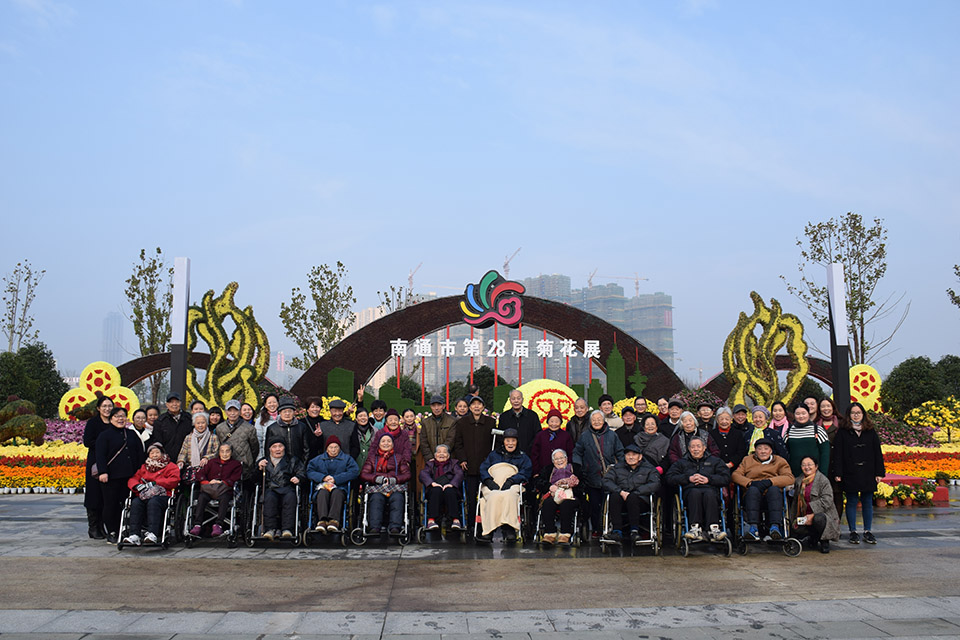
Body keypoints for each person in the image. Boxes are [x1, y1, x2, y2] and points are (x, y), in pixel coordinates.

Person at [834, 402, 885, 545]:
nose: (856, 415)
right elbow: (838, 454)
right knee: (851, 501)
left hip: (868, 472)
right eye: (853, 413)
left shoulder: (870, 430)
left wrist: (879, 472)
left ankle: (867, 531)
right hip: (850, 472)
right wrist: (838, 472)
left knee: (867, 501)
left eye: (858, 413)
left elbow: (877, 452)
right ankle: (853, 531)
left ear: (863, 414)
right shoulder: (843, 431)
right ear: (848, 415)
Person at [95, 407, 146, 544]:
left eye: (123, 416)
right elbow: (100, 455)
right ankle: (112, 531)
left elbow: (140, 454)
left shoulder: (131, 434)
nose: (120, 419)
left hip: (130, 477)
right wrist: (103, 472)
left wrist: (140, 472)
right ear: (111, 419)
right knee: (110, 505)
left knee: (129, 504)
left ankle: (128, 530)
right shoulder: (104, 435)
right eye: (117, 416)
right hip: (111, 477)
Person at [666, 436, 730, 542]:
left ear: (704, 448)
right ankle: (695, 528)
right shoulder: (681, 462)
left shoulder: (716, 461)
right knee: (694, 493)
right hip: (690, 490)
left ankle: (713, 528)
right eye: (693, 447)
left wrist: (708, 479)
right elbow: (670, 477)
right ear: (689, 449)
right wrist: (688, 478)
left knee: (709, 494)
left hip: (710, 488)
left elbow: (726, 477)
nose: (696, 449)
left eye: (698, 446)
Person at [573, 409, 625, 538]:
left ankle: (609, 527)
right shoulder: (585, 436)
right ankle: (597, 529)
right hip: (591, 476)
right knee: (594, 505)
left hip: (609, 476)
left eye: (599, 419)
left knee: (609, 504)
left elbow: (620, 452)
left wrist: (620, 468)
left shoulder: (612, 435)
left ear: (604, 420)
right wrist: (579, 467)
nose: (596, 422)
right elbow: (577, 452)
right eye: (594, 420)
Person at [731, 439, 794, 540]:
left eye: (766, 449)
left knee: (774, 490)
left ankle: (775, 527)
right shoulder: (747, 460)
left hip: (772, 494)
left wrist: (769, 482)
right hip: (752, 495)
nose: (763, 451)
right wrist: (750, 483)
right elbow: (735, 475)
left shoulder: (780, 461)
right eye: (759, 449)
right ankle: (753, 528)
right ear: (755, 450)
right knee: (753, 490)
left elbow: (789, 478)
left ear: (771, 451)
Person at [478, 428, 532, 542]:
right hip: (494, 483)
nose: (510, 443)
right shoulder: (494, 454)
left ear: (517, 442)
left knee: (509, 496)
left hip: (512, 484)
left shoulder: (523, 457)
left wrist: (512, 480)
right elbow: (483, 468)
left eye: (513, 441)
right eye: (508, 440)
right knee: (493, 496)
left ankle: (509, 529)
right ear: (503, 441)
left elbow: (526, 471)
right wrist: (488, 481)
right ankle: (489, 530)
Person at [122, 442, 180, 546]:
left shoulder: (171, 466)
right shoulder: (144, 467)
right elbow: (134, 479)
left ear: (162, 453)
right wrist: (136, 486)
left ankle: (153, 534)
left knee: (154, 502)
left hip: (163, 495)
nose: (154, 455)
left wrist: (156, 483)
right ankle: (134, 535)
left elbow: (174, 480)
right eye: (152, 453)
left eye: (157, 452)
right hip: (145, 494)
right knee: (136, 502)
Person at [602, 443, 660, 543]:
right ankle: (617, 531)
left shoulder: (649, 469)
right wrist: (620, 491)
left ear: (640, 457)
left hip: (641, 500)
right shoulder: (617, 468)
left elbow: (655, 484)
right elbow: (606, 481)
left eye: (634, 454)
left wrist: (637, 492)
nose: (631, 457)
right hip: (621, 499)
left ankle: (634, 531)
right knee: (614, 496)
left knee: (632, 497)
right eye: (628, 455)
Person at [453, 395, 496, 520]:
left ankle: (487, 520)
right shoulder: (462, 423)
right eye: (473, 404)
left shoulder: (490, 422)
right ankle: (472, 522)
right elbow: (458, 444)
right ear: (470, 407)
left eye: (479, 404)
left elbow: (495, 443)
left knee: (487, 494)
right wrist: (462, 459)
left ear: (483, 407)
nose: (476, 407)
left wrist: (491, 461)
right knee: (471, 496)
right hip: (469, 466)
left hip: (486, 466)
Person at [306, 435, 359, 533]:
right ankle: (322, 521)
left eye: (336, 447)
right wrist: (323, 477)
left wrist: (336, 479)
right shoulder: (317, 460)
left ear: (339, 448)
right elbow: (309, 471)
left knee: (337, 493)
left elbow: (354, 472)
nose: (333, 450)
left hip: (340, 487)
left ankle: (334, 521)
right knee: (322, 493)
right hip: (322, 487)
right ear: (327, 449)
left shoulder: (347, 459)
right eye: (331, 447)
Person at [360, 434, 410, 535]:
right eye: (383, 441)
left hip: (395, 487)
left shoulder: (399, 458)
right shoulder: (372, 458)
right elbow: (364, 474)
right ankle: (374, 527)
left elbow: (407, 474)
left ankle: (395, 527)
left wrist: (395, 479)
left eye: (389, 441)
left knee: (397, 498)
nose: (386, 443)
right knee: (376, 499)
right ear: (379, 444)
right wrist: (376, 478)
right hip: (377, 487)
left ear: (393, 444)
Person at [190, 442, 243, 538]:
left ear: (231, 452)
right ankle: (197, 524)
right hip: (209, 489)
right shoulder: (212, 462)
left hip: (224, 490)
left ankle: (218, 525)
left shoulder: (236, 464)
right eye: (222, 451)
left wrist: (223, 482)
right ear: (219, 452)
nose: (225, 454)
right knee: (202, 497)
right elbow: (200, 474)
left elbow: (236, 477)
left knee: (225, 498)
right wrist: (207, 482)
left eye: (227, 451)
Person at [789, 456, 840, 553]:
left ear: (816, 466)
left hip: (822, 515)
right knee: (794, 528)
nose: (806, 467)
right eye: (804, 465)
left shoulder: (823, 480)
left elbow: (827, 500)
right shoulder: (799, 480)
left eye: (809, 465)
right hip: (803, 515)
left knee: (818, 519)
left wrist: (812, 515)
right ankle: (813, 538)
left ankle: (824, 541)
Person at [257, 437, 304, 540]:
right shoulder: (264, 461)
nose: (278, 449)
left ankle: (288, 529)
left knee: (290, 498)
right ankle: (270, 529)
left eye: (280, 446)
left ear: (284, 448)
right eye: (274, 447)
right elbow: (254, 480)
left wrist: (298, 477)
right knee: (269, 499)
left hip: (287, 487)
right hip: (271, 488)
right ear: (270, 449)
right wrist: (259, 468)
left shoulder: (292, 460)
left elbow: (301, 472)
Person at [83, 395, 114, 539]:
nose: (107, 409)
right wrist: (104, 444)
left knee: (105, 496)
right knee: (94, 495)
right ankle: (93, 527)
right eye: (104, 406)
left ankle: (102, 527)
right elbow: (87, 441)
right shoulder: (93, 423)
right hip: (95, 463)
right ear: (98, 408)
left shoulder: (114, 422)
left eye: (110, 406)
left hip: (110, 462)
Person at [537, 448, 579, 544]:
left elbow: (583, 484)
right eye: (556, 459)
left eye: (561, 458)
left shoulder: (576, 468)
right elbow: (539, 482)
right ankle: (550, 533)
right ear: (553, 461)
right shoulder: (548, 470)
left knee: (566, 504)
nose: (559, 461)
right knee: (547, 503)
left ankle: (565, 534)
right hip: (553, 494)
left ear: (566, 458)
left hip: (571, 496)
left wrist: (570, 487)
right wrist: (550, 487)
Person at [215, 400, 259, 488]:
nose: (232, 413)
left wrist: (248, 460)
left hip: (244, 466)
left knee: (243, 489)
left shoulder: (249, 428)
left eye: (235, 410)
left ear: (239, 412)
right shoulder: (219, 428)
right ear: (226, 412)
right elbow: (218, 445)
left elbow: (254, 447)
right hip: (226, 464)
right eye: (230, 410)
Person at [420, 444, 464, 531]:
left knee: (449, 491)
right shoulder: (430, 464)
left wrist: (451, 484)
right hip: (435, 488)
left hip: (450, 487)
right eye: (439, 452)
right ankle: (431, 520)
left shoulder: (454, 463)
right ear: (435, 455)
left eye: (444, 452)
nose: (441, 454)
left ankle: (455, 519)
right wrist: (433, 483)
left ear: (448, 455)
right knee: (436, 490)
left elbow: (460, 474)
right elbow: (423, 474)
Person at [784, 403, 830, 476]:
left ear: (808, 414)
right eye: (798, 414)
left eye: (804, 413)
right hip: (794, 474)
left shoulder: (818, 430)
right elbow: (785, 452)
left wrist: (823, 473)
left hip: (815, 474)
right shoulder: (789, 431)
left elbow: (825, 454)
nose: (801, 416)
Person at [530, 408, 575, 475]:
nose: (554, 424)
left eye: (557, 421)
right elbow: (534, 454)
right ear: (547, 422)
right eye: (551, 421)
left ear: (560, 422)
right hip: (542, 471)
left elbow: (570, 454)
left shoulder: (566, 436)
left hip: (562, 472)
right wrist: (536, 471)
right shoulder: (540, 436)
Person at [265, 397, 311, 464]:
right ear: (279, 413)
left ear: (294, 412)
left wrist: (303, 464)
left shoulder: (301, 427)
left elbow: (306, 448)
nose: (287, 414)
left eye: (290, 411)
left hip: (298, 464)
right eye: (284, 411)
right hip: (279, 465)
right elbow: (268, 450)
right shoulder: (272, 428)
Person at [150, 393, 191, 466]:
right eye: (171, 402)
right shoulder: (160, 421)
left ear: (180, 403)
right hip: (167, 461)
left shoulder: (188, 418)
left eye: (177, 402)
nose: (174, 404)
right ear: (167, 404)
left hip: (186, 459)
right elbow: (157, 442)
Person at [178, 412, 220, 482]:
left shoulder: (213, 437)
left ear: (207, 423)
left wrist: (207, 458)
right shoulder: (188, 437)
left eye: (203, 423)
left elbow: (217, 452)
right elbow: (183, 453)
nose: (200, 425)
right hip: (191, 470)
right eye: (198, 423)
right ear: (194, 424)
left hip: (207, 470)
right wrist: (181, 461)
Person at [499, 389, 541, 454]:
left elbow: (538, 435)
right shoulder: (504, 417)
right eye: (513, 399)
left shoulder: (532, 416)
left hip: (528, 454)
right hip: (509, 455)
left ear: (522, 400)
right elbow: (500, 436)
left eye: (518, 398)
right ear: (510, 400)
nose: (516, 401)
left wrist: (530, 449)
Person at [420, 395, 457, 463]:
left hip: (448, 459)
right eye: (433, 405)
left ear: (443, 406)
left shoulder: (452, 421)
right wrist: (429, 457)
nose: (436, 408)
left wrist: (443, 454)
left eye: (439, 405)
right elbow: (423, 442)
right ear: (431, 407)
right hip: (431, 460)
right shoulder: (425, 422)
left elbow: (451, 439)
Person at [710, 407, 747, 471]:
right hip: (716, 467)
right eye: (721, 419)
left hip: (736, 468)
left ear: (731, 419)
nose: (724, 421)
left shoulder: (738, 434)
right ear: (717, 420)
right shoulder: (712, 434)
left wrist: (731, 463)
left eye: (727, 419)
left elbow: (741, 452)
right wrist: (719, 464)